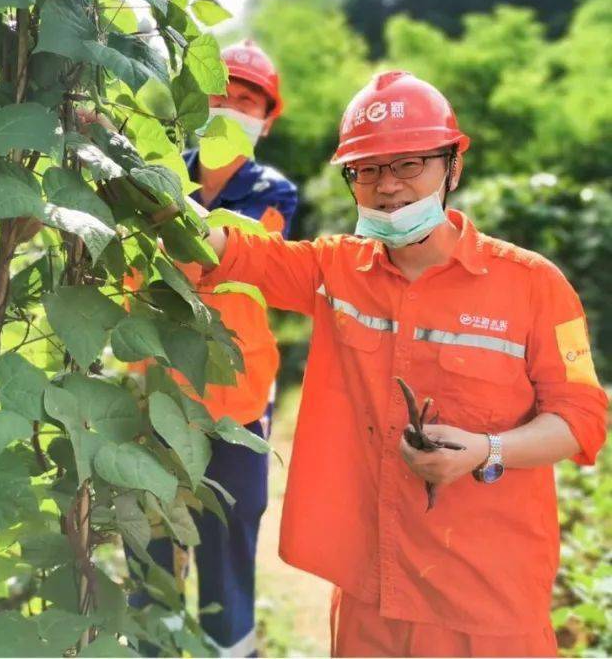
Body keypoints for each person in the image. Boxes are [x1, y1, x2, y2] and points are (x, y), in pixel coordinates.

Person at [184, 70, 607, 657]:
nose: (388, 187)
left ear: (452, 166)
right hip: (370, 596)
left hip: (487, 604)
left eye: (409, 164)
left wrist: (488, 451)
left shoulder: (534, 286)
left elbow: (582, 418)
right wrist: (131, 172)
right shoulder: (337, 272)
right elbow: (232, 253)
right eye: (368, 169)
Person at [130, 41, 298, 657]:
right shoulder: (164, 170)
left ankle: (232, 649)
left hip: (236, 400)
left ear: (267, 118)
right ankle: (152, 646)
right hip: (157, 394)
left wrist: (151, 206)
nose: (232, 105)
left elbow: (227, 263)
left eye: (248, 98)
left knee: (227, 542)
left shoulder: (271, 192)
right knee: (148, 544)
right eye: (222, 91)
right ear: (201, 99)